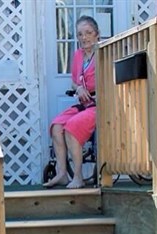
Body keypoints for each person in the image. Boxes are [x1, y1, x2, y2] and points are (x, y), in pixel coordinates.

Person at [43, 15, 99, 189]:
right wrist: (79, 89)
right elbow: (74, 82)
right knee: (56, 125)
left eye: (88, 33)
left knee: (71, 128)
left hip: (99, 104)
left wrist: (89, 91)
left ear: (97, 34)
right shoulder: (77, 55)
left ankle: (78, 177)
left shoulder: (103, 53)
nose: (84, 38)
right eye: (80, 34)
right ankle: (62, 174)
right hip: (83, 103)